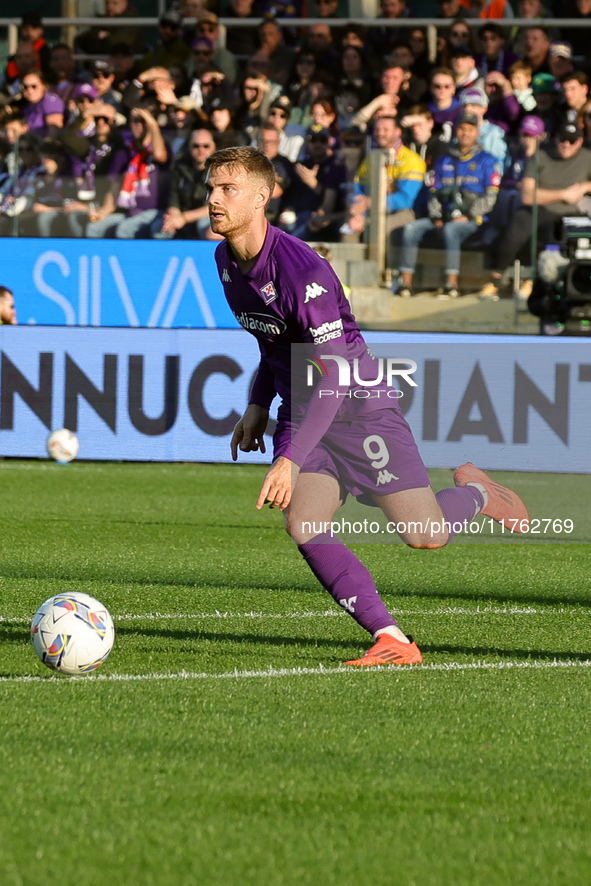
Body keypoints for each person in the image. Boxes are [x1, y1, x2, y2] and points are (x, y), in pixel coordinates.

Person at [204, 144, 529, 666]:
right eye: (211, 188)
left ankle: (477, 493)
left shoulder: (302, 272)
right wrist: (257, 404)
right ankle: (391, 637)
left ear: (261, 198)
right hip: (303, 410)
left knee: (425, 537)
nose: (214, 200)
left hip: (357, 408)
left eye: (228, 189)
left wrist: (289, 458)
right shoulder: (225, 260)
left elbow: (335, 376)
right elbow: (273, 341)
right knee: (303, 522)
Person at [398, 110, 501, 298]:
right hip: (444, 216)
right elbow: (434, 191)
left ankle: (450, 284)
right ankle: (405, 283)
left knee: (451, 230)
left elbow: (490, 197)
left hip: (474, 220)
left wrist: (468, 215)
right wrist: (436, 216)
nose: (465, 133)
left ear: (477, 132)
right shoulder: (444, 159)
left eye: (470, 129)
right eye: (461, 129)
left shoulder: (487, 160)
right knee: (411, 229)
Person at [482, 120, 591, 298]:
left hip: (570, 215)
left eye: (571, 141)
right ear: (555, 139)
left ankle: (536, 281)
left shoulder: (587, 158)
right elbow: (527, 195)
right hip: (539, 209)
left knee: (555, 235)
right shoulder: (540, 157)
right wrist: (563, 194)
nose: (566, 144)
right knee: (518, 227)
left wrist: (585, 186)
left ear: (579, 142)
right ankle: (496, 278)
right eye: (562, 139)